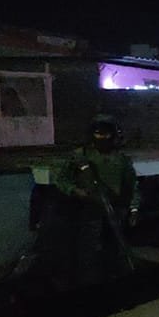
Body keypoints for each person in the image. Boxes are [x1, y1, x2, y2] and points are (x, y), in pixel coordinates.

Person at [53, 114, 139, 285]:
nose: (102, 137)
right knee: (88, 251)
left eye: (106, 133)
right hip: (89, 209)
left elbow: (132, 186)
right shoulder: (81, 156)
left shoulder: (121, 159)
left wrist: (134, 208)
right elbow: (62, 180)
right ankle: (89, 284)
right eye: (98, 133)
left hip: (115, 209)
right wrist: (76, 191)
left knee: (115, 249)